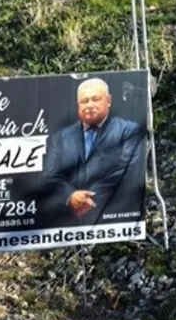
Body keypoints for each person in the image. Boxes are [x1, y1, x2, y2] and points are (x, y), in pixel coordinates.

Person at [42, 78, 145, 226]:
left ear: (108, 101)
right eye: (84, 101)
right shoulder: (60, 138)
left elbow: (126, 170)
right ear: (78, 105)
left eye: (95, 99)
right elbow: (50, 175)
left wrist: (87, 201)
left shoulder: (128, 131)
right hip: (67, 221)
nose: (89, 105)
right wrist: (70, 195)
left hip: (113, 216)